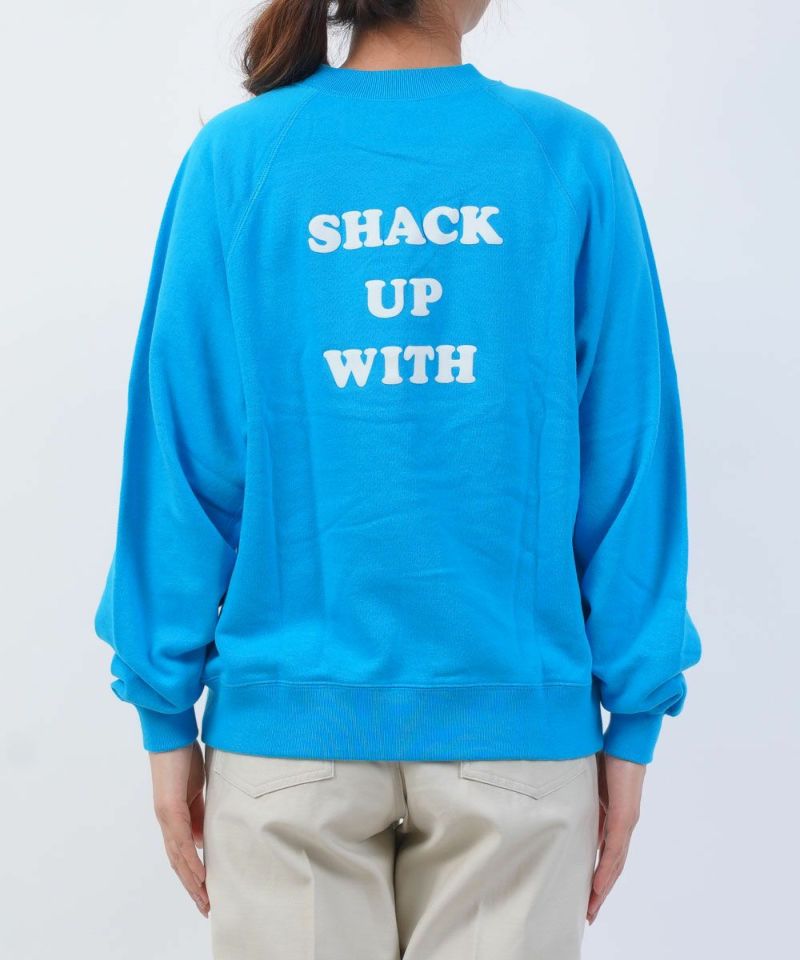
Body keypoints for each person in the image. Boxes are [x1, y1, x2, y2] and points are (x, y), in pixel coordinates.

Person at [94, 0, 701, 957]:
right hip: (519, 740)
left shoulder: (240, 161)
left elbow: (182, 458)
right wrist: (632, 722)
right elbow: (628, 455)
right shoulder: (568, 157)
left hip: (284, 744)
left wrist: (163, 715)